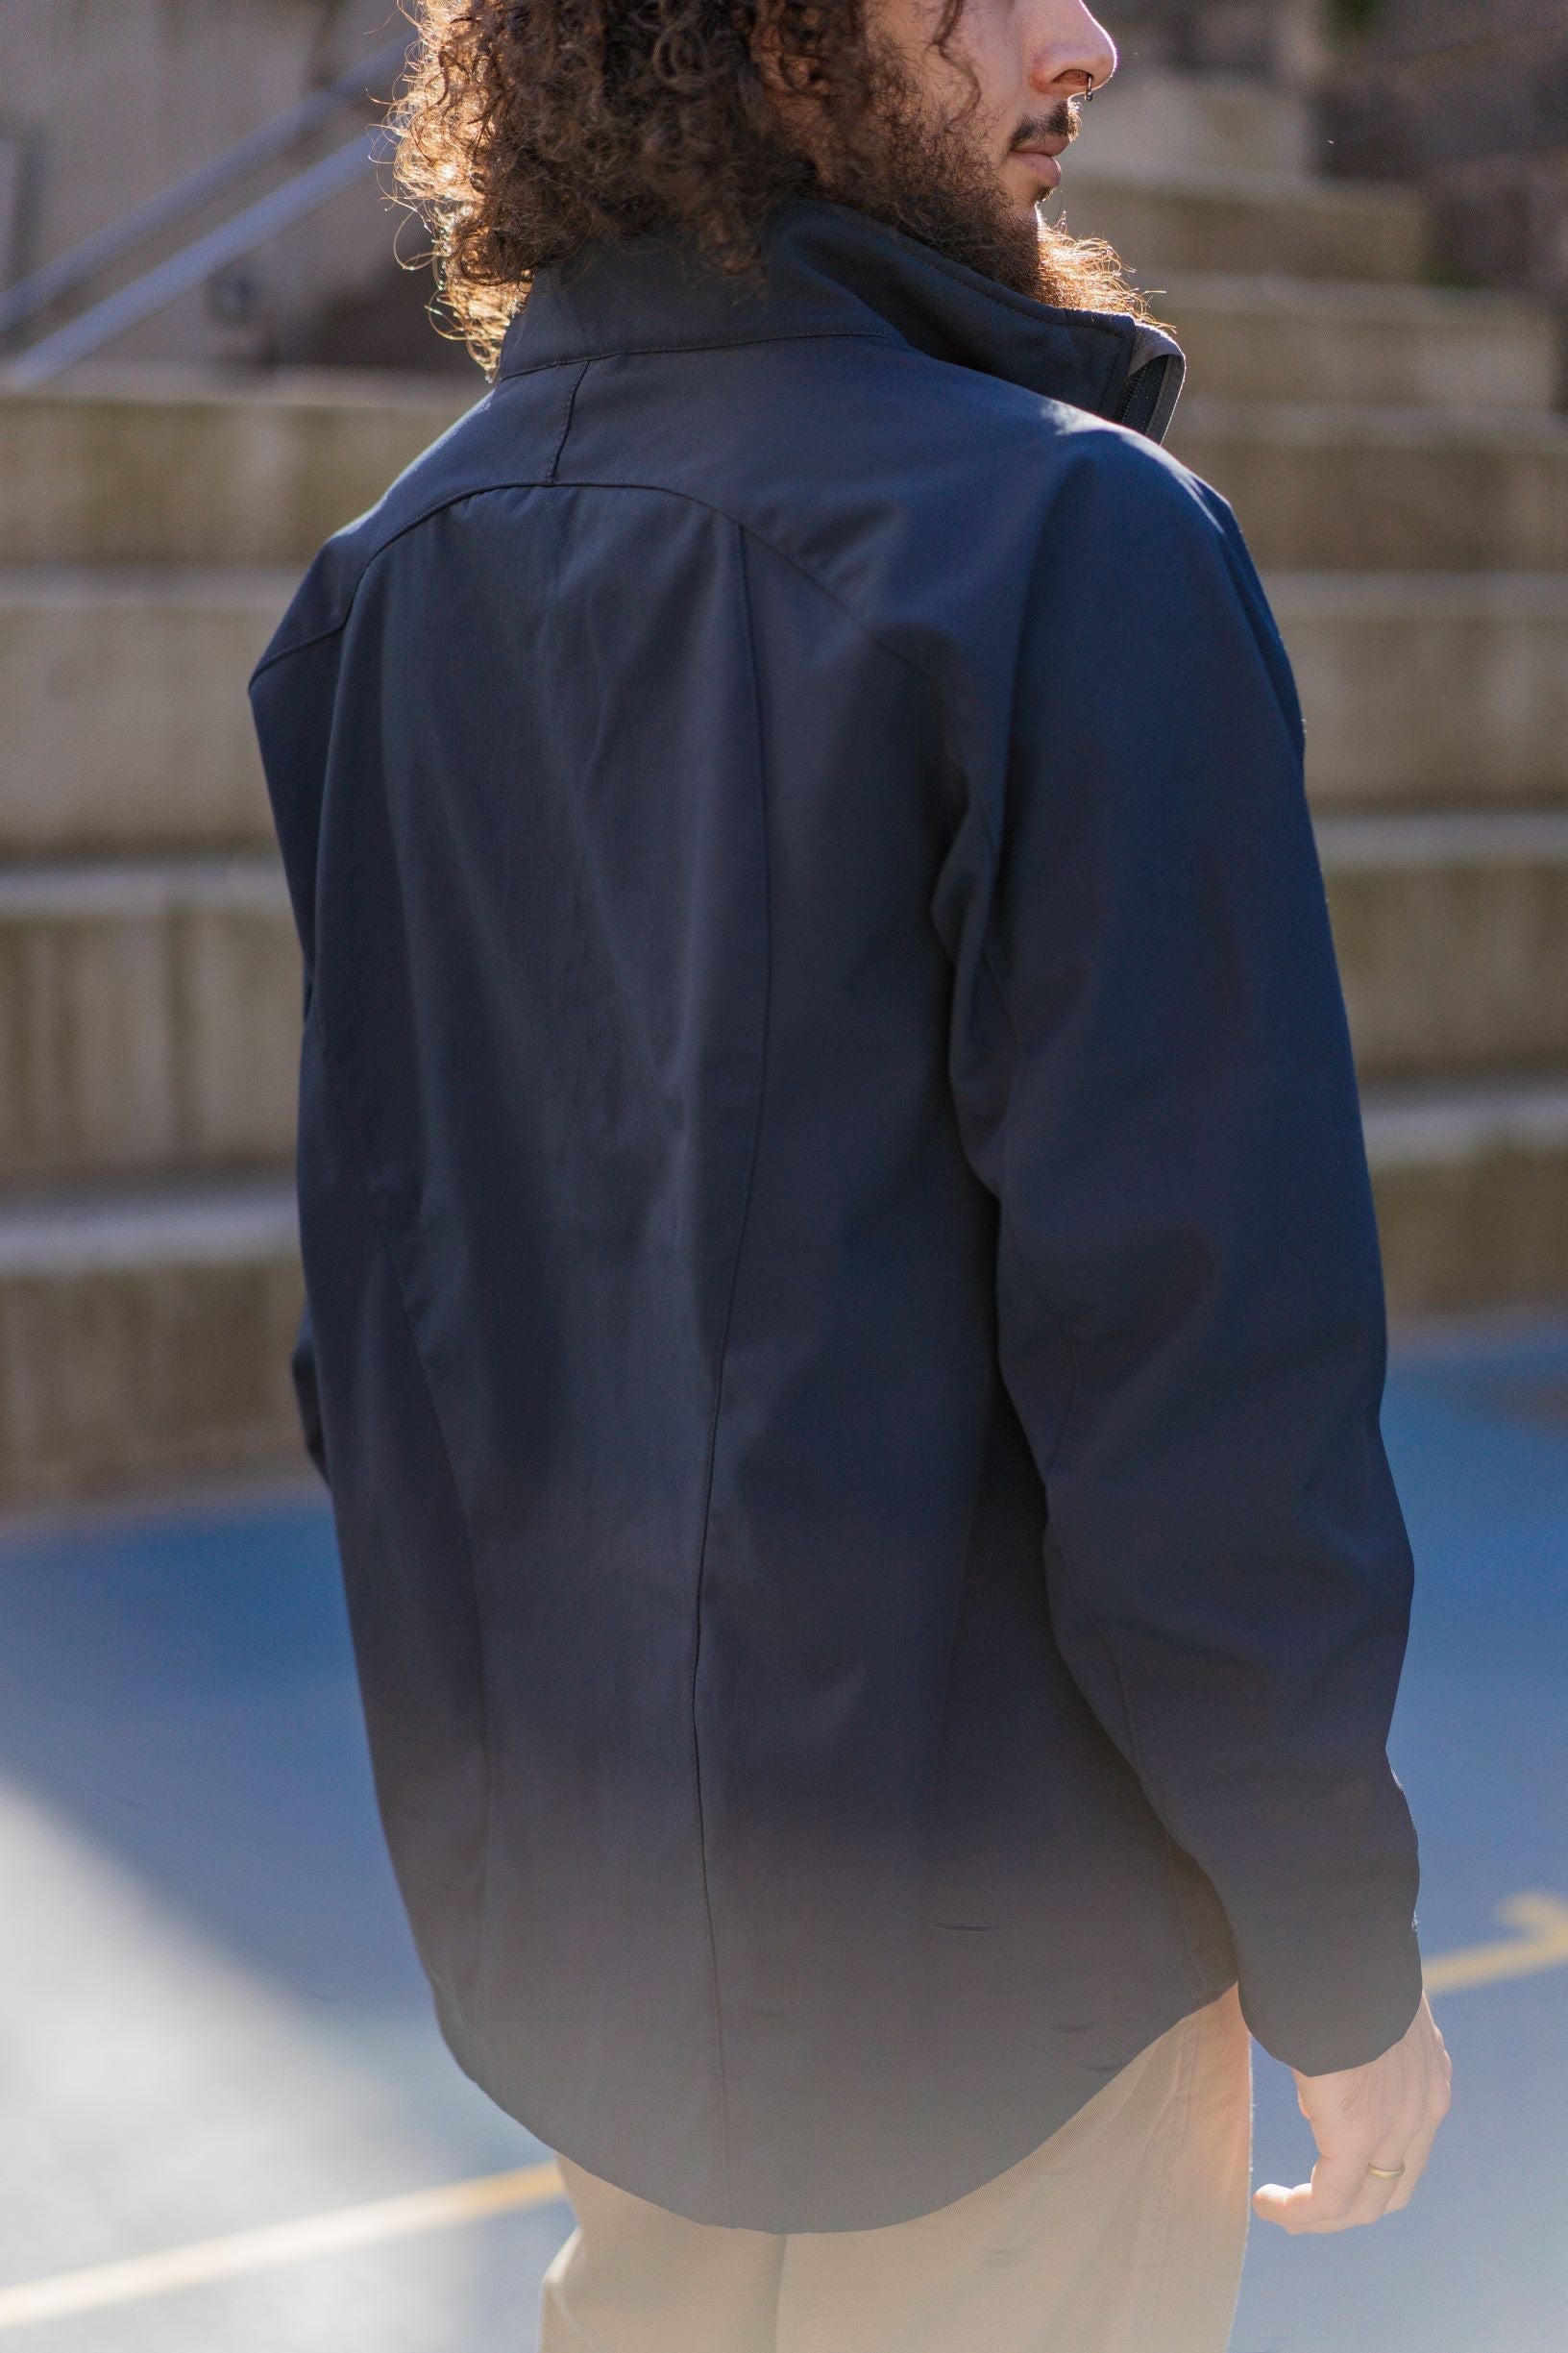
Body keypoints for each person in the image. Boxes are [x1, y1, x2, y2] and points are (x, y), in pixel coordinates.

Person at [251, 0, 1453, 2344]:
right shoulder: (1074, 541)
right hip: (1018, 1999)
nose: (1085, 40)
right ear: (766, 47)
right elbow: (1194, 1369)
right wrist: (1338, 1948)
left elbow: (382, 1348)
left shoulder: (388, 582)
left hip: (601, 1980)